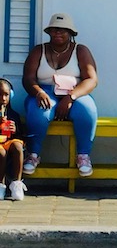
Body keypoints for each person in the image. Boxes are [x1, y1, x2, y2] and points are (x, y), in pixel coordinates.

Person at [22, 12, 98, 178]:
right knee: (38, 113)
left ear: (71, 33)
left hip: (74, 92)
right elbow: (28, 78)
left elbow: (91, 80)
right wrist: (39, 92)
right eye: (54, 29)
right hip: (44, 91)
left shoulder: (81, 50)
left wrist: (71, 97)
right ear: (49, 32)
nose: (58, 33)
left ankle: (83, 156)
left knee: (87, 111)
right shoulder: (38, 51)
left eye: (63, 30)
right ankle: (33, 154)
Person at [0, 77, 26, 200]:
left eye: (6, 95)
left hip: (9, 141)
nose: (3, 99)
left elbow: (21, 135)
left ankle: (17, 184)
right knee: (1, 153)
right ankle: (0, 185)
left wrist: (15, 130)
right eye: (0, 95)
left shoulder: (13, 114)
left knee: (17, 147)